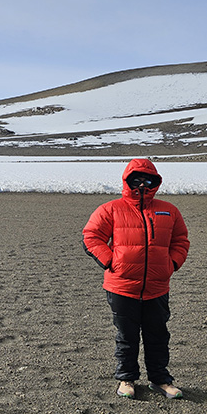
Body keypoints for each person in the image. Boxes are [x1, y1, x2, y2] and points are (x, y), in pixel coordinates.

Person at [82, 158, 190, 399]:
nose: (142, 184)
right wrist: (111, 262)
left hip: (157, 286)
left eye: (147, 179)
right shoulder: (111, 209)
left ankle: (160, 380)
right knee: (127, 336)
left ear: (155, 182)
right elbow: (91, 236)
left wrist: (171, 264)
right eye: (137, 179)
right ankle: (126, 379)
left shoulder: (168, 210)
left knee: (158, 335)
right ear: (127, 181)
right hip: (121, 286)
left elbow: (181, 240)